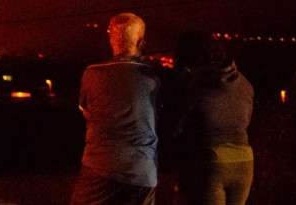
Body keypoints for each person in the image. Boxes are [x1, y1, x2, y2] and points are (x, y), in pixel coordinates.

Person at [71, 13, 162, 205]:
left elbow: (86, 113)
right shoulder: (154, 77)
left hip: (99, 167)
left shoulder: (92, 73)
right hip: (142, 170)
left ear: (111, 40)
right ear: (141, 42)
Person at [172, 31, 254, 205]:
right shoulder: (245, 84)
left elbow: (177, 128)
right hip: (245, 162)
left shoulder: (193, 86)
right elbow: (246, 121)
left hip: (210, 161)